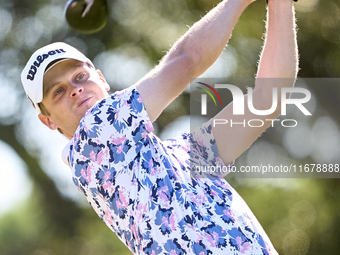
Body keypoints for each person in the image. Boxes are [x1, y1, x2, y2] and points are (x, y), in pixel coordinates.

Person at [21, 0, 298, 254]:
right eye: (57, 91)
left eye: (80, 76)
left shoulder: (179, 157)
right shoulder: (95, 136)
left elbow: (270, 97)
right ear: (48, 121)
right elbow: (189, 58)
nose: (75, 90)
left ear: (102, 79)